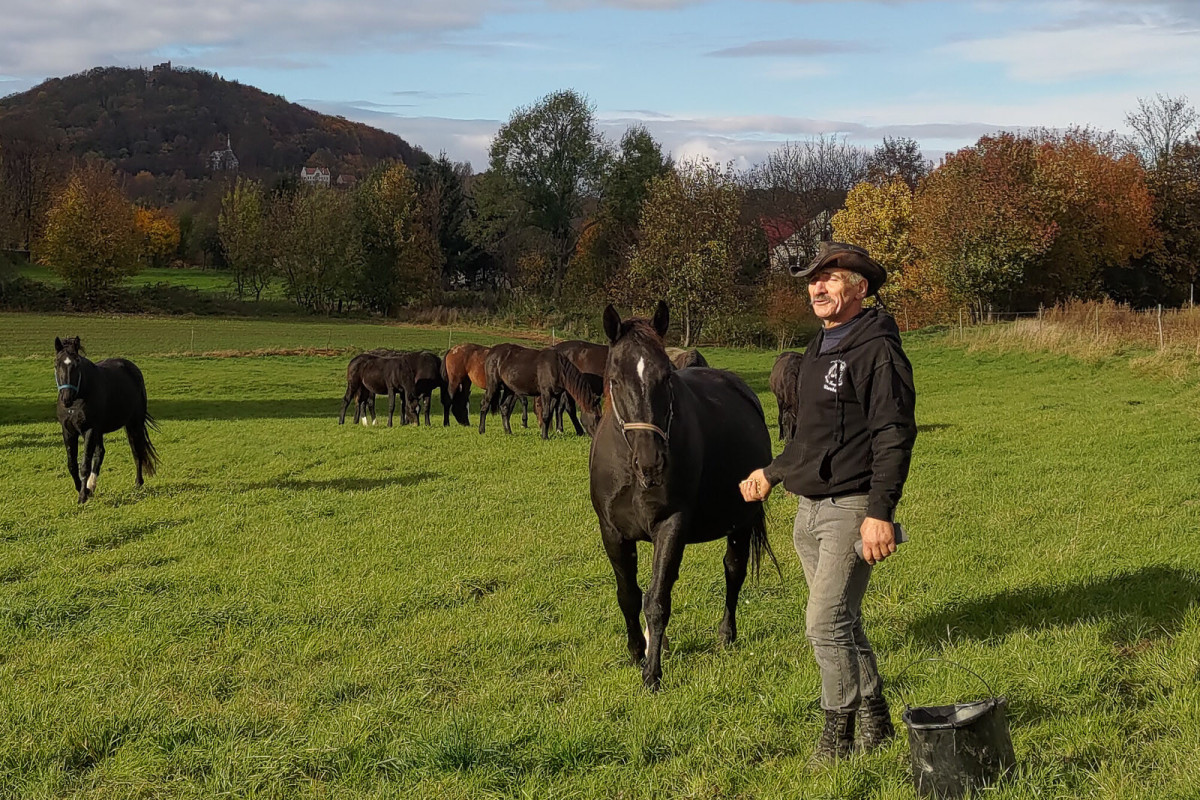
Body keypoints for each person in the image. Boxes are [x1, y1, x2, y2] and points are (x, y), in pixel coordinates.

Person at [739, 241, 917, 763]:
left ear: (859, 289)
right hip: (808, 509)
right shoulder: (818, 348)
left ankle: (835, 736)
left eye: (830, 278)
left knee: (824, 624)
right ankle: (875, 716)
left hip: (851, 508)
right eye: (813, 280)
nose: (817, 287)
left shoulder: (877, 350)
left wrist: (880, 513)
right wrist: (771, 474)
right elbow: (809, 436)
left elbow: (893, 432)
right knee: (844, 621)